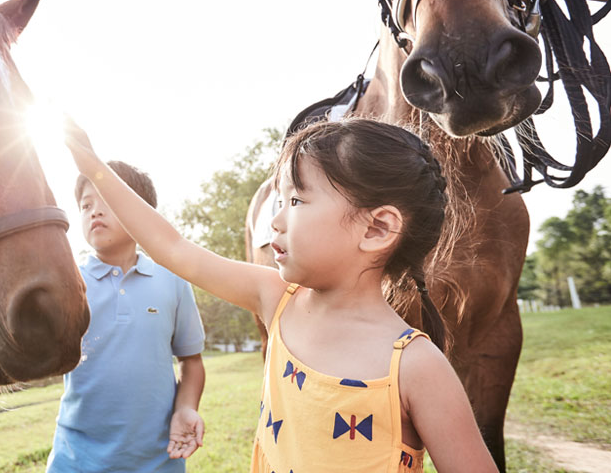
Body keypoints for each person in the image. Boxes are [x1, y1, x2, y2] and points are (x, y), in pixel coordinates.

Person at [64, 118, 499, 473]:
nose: (274, 222)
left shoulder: (415, 366)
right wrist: (90, 162)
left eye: (296, 201)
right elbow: (174, 248)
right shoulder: (276, 299)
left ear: (377, 229)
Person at [46, 160, 207, 473]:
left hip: (159, 460)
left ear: (142, 213)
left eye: (107, 200)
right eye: (86, 205)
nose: (94, 211)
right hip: (75, 460)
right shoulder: (68, 283)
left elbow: (191, 360)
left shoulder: (172, 279)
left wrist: (186, 407)